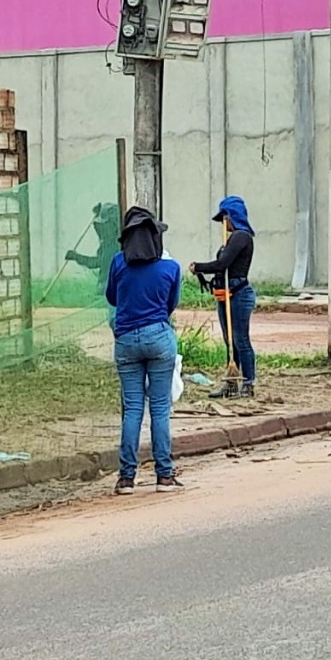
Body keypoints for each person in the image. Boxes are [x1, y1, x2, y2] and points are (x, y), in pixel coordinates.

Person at [105, 206, 183, 495]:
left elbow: (112, 297)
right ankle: (164, 476)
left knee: (133, 409)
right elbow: (171, 304)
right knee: (160, 408)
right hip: (160, 337)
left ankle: (126, 478)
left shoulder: (117, 263)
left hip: (125, 340)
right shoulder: (170, 268)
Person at [189, 195, 256, 398]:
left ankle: (248, 383)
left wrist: (198, 267)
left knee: (240, 339)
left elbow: (222, 264)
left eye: (224, 217)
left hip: (239, 295)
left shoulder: (241, 237)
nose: (223, 223)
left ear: (231, 216)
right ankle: (231, 382)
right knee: (230, 341)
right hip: (225, 295)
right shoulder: (229, 240)